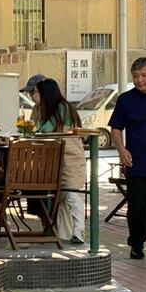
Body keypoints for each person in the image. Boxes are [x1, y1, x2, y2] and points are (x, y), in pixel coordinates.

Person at [108, 56, 146, 264]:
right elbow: (115, 128)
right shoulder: (126, 100)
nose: (139, 80)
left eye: (144, 75)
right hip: (137, 164)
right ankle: (137, 244)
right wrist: (121, 150)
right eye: (135, 76)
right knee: (137, 209)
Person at [34, 77, 86, 245]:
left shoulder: (62, 108)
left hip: (70, 159)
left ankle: (79, 231)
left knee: (72, 195)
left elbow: (45, 130)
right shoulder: (50, 109)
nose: (34, 96)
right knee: (62, 197)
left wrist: (35, 130)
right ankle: (63, 233)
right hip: (58, 159)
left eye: (37, 92)